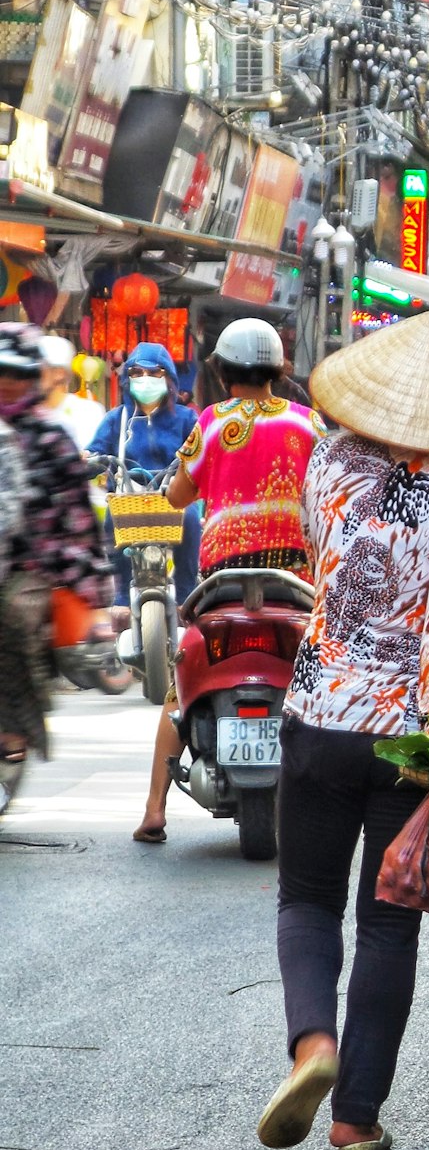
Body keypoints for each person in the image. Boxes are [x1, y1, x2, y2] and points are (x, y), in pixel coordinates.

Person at [255, 309, 429, 1150]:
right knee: (386, 925)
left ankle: (314, 1048)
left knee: (305, 900)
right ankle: (354, 1118)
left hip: (318, 709)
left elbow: (322, 564)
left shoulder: (330, 458)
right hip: (406, 735)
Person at [132, 318, 326, 845]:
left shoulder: (213, 423)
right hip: (297, 581)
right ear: (278, 371)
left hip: (221, 582)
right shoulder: (311, 425)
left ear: (220, 372)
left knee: (180, 688)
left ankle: (154, 810)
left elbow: (176, 495)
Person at [0, 324, 110, 763]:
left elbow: (79, 521)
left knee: (10, 615)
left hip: (34, 568)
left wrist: (96, 600)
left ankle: (15, 727)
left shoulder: (51, 438)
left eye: (16, 373)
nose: (7, 382)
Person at [87, 343, 200, 608]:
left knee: (192, 517)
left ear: (169, 379)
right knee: (111, 518)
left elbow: (201, 453)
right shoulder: (117, 418)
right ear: (127, 379)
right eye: (136, 373)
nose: (144, 379)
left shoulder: (186, 418)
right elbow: (94, 451)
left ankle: (186, 597)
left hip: (173, 497)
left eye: (154, 373)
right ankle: (122, 599)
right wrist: (87, 459)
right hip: (128, 497)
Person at [38, 337, 106, 453]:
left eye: (37, 368)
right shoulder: (22, 415)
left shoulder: (88, 412)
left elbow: (91, 461)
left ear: (59, 373)